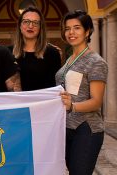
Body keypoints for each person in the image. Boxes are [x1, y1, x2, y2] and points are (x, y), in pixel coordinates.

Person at [56, 10, 108, 175]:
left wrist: (72, 106)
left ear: (87, 31)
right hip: (67, 127)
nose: (71, 32)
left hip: (87, 129)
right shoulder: (69, 59)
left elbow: (96, 101)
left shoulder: (96, 62)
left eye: (77, 28)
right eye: (67, 28)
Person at [11, 6, 61, 91]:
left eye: (35, 23)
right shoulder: (8, 52)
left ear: (40, 28)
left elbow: (56, 86)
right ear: (20, 25)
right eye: (26, 22)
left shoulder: (52, 53)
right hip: (17, 103)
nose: (30, 26)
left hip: (43, 103)